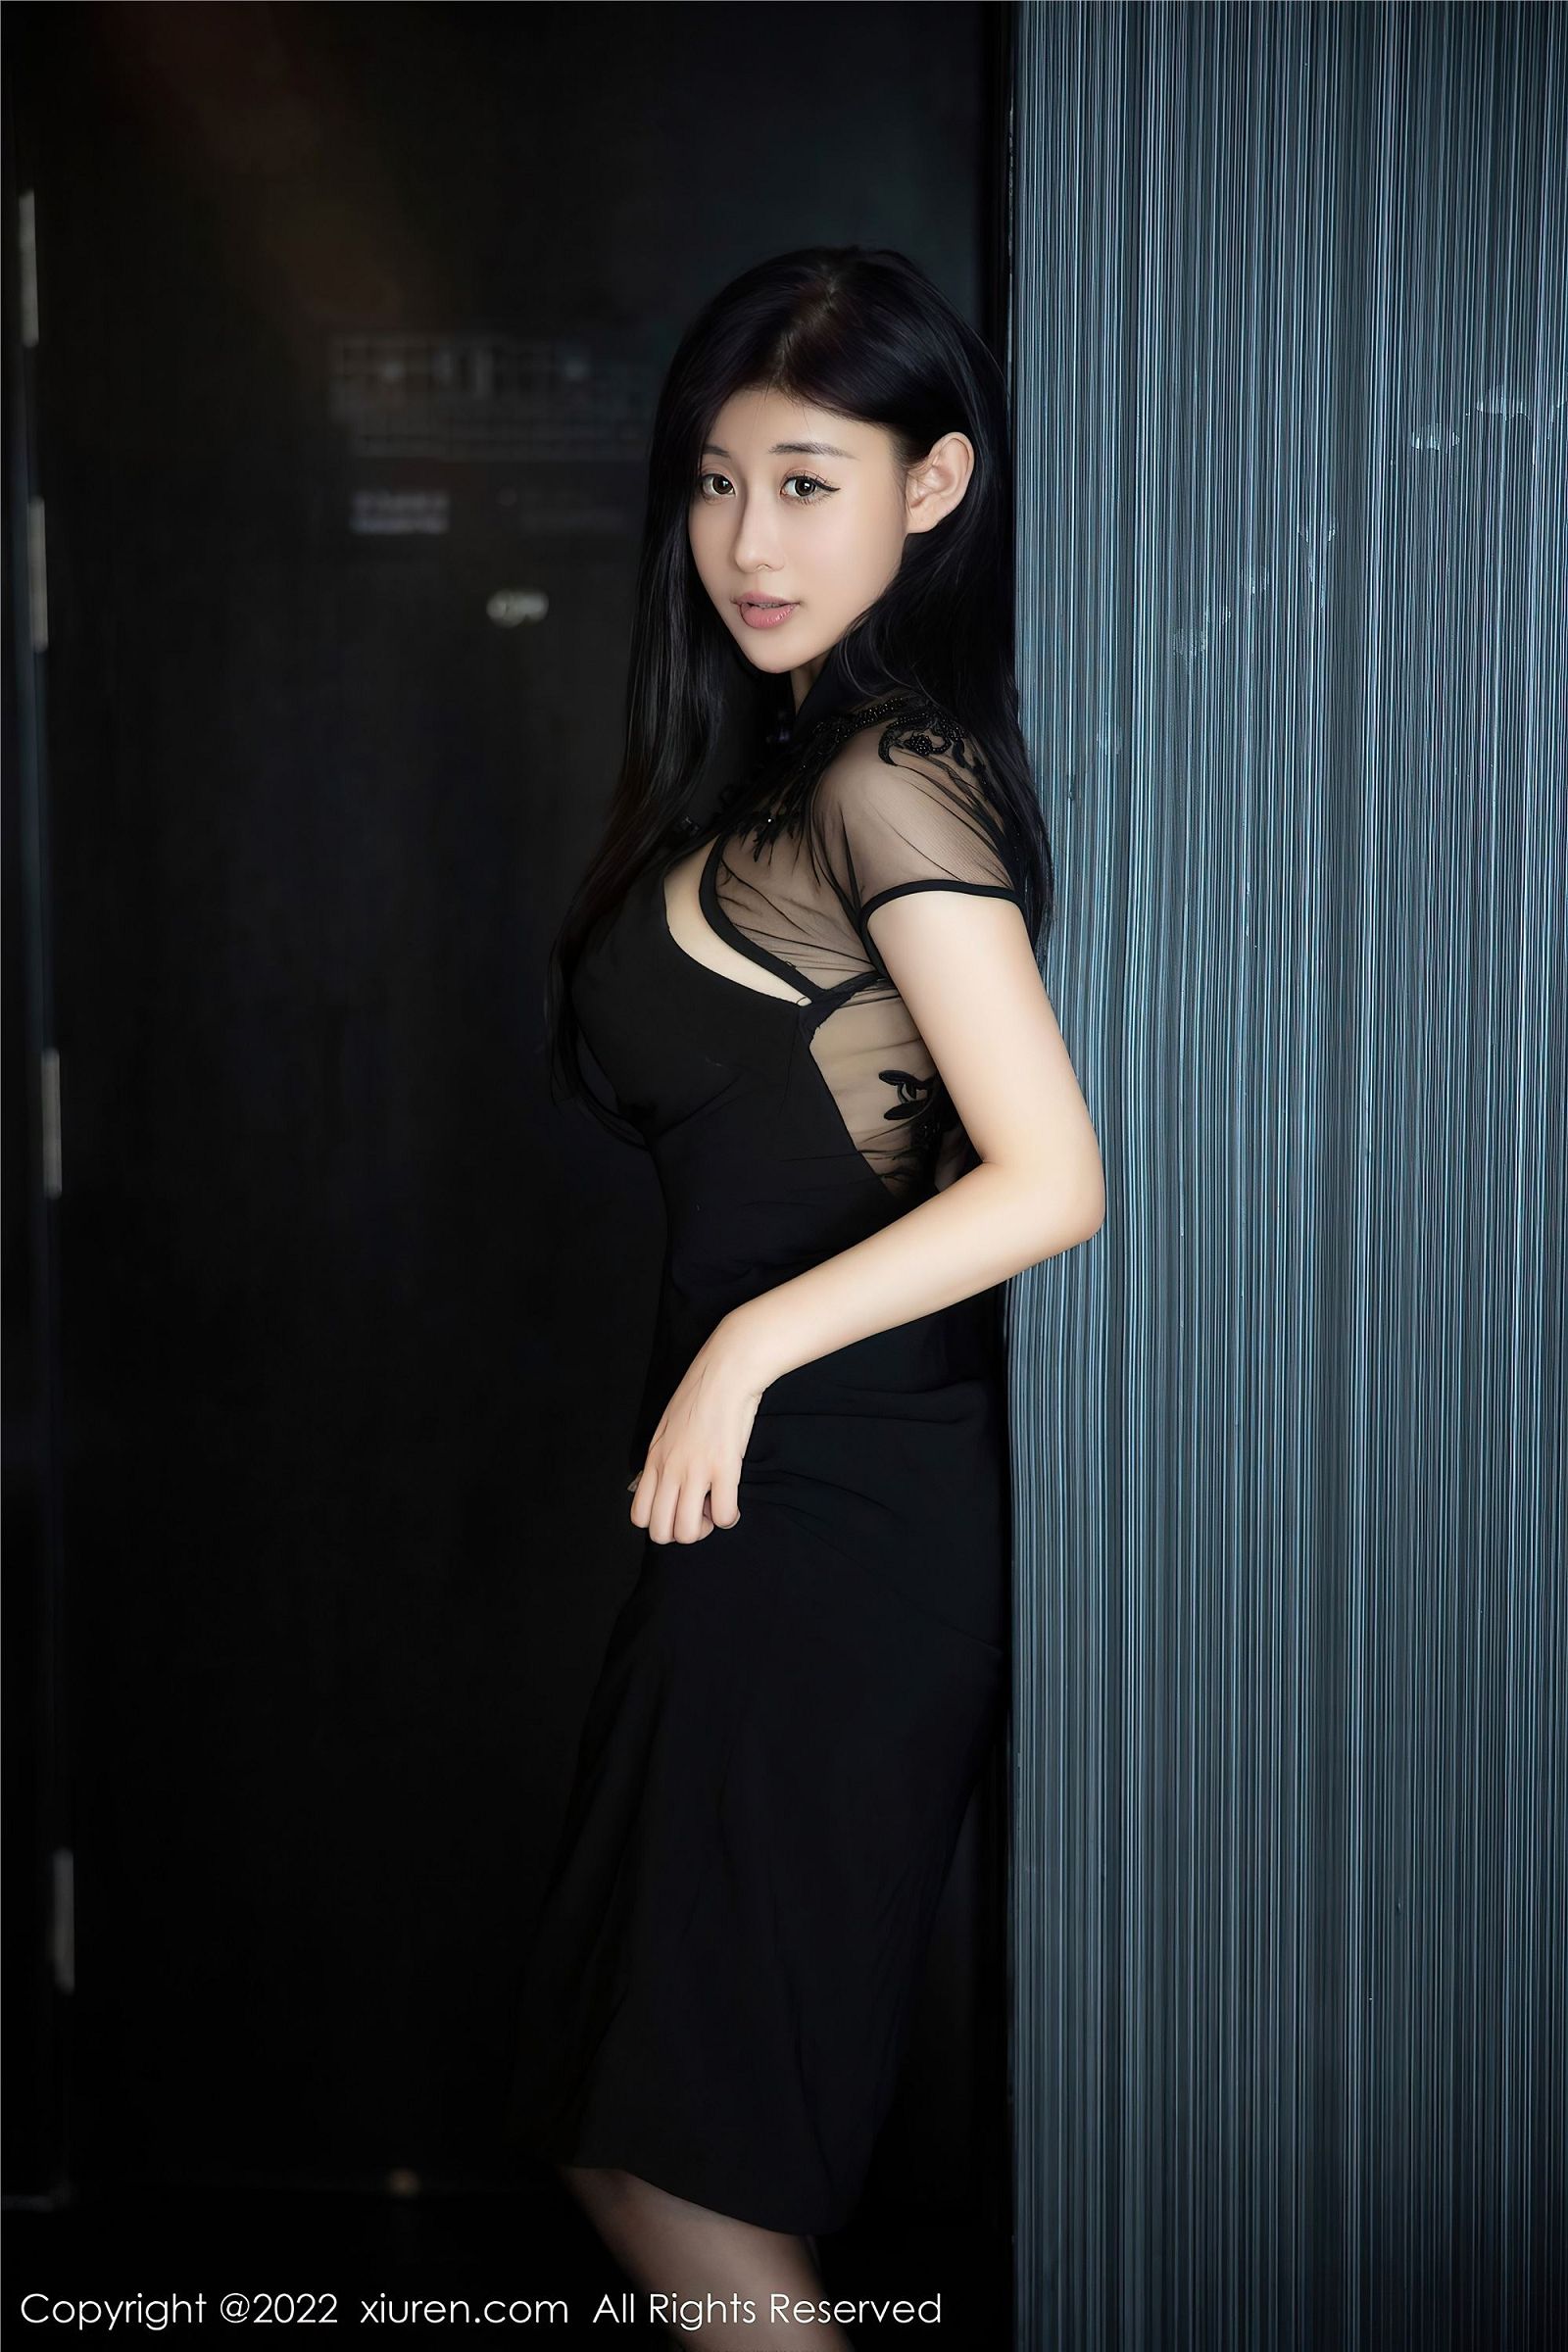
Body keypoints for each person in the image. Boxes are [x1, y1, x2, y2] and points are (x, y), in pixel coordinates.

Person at [504, 246, 1104, 2349]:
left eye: (808, 483)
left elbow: (1051, 1176)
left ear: (933, 487)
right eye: (716, 482)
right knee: (635, 2131)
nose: (748, 542)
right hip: (761, 1517)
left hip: (836, 1519)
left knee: (674, 2155)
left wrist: (748, 1349)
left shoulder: (884, 777)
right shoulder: (779, 770)